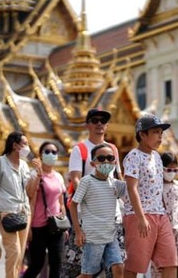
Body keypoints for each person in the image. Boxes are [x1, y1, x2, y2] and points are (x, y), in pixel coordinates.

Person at [62, 108, 124, 278]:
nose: (99, 124)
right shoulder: (80, 149)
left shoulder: (113, 149)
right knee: (79, 269)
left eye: (103, 121)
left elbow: (118, 177)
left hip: (112, 216)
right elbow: (76, 179)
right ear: (87, 125)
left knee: (117, 267)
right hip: (88, 216)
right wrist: (92, 196)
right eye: (95, 120)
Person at [123, 114, 178, 278]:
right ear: (142, 134)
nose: (160, 136)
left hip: (160, 215)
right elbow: (131, 188)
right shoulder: (133, 156)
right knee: (135, 265)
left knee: (170, 261)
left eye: (161, 132)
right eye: (155, 132)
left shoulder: (157, 158)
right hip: (138, 216)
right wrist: (141, 217)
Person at [70, 143, 127, 278]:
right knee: (87, 275)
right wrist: (78, 232)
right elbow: (73, 205)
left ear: (115, 161)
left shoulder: (115, 183)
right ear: (93, 163)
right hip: (93, 238)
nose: (106, 161)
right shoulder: (86, 182)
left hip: (111, 236)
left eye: (110, 158)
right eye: (101, 159)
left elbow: (132, 191)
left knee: (119, 268)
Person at [0, 132, 32, 278]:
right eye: (25, 143)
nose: (27, 147)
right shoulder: (0, 161)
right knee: (14, 251)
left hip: (24, 211)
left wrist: (37, 172)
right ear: (15, 145)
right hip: (6, 210)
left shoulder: (25, 164)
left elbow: (29, 190)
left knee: (20, 254)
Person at [23, 142, 67, 278]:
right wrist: (38, 175)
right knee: (37, 264)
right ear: (41, 155)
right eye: (47, 151)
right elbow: (30, 195)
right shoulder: (34, 174)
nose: (51, 154)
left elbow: (61, 203)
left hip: (56, 225)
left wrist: (65, 225)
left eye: (54, 152)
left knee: (57, 264)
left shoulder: (59, 176)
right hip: (38, 226)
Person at [150, 152, 178, 278]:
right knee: (158, 265)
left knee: (177, 264)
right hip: (159, 231)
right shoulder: (154, 187)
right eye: (168, 169)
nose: (172, 172)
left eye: (175, 170)